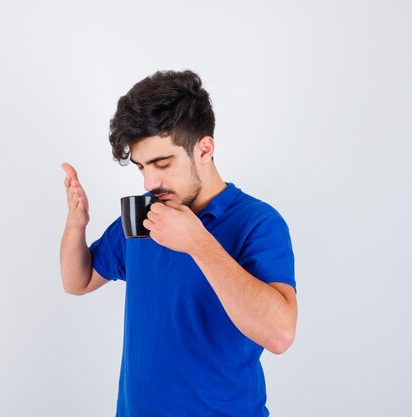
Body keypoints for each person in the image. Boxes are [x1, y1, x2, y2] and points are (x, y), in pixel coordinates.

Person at [60, 70, 297, 417]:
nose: (150, 180)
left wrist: (198, 243)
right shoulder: (145, 213)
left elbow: (280, 335)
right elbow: (76, 282)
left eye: (162, 163)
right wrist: (76, 224)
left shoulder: (257, 223)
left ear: (204, 148)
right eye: (141, 167)